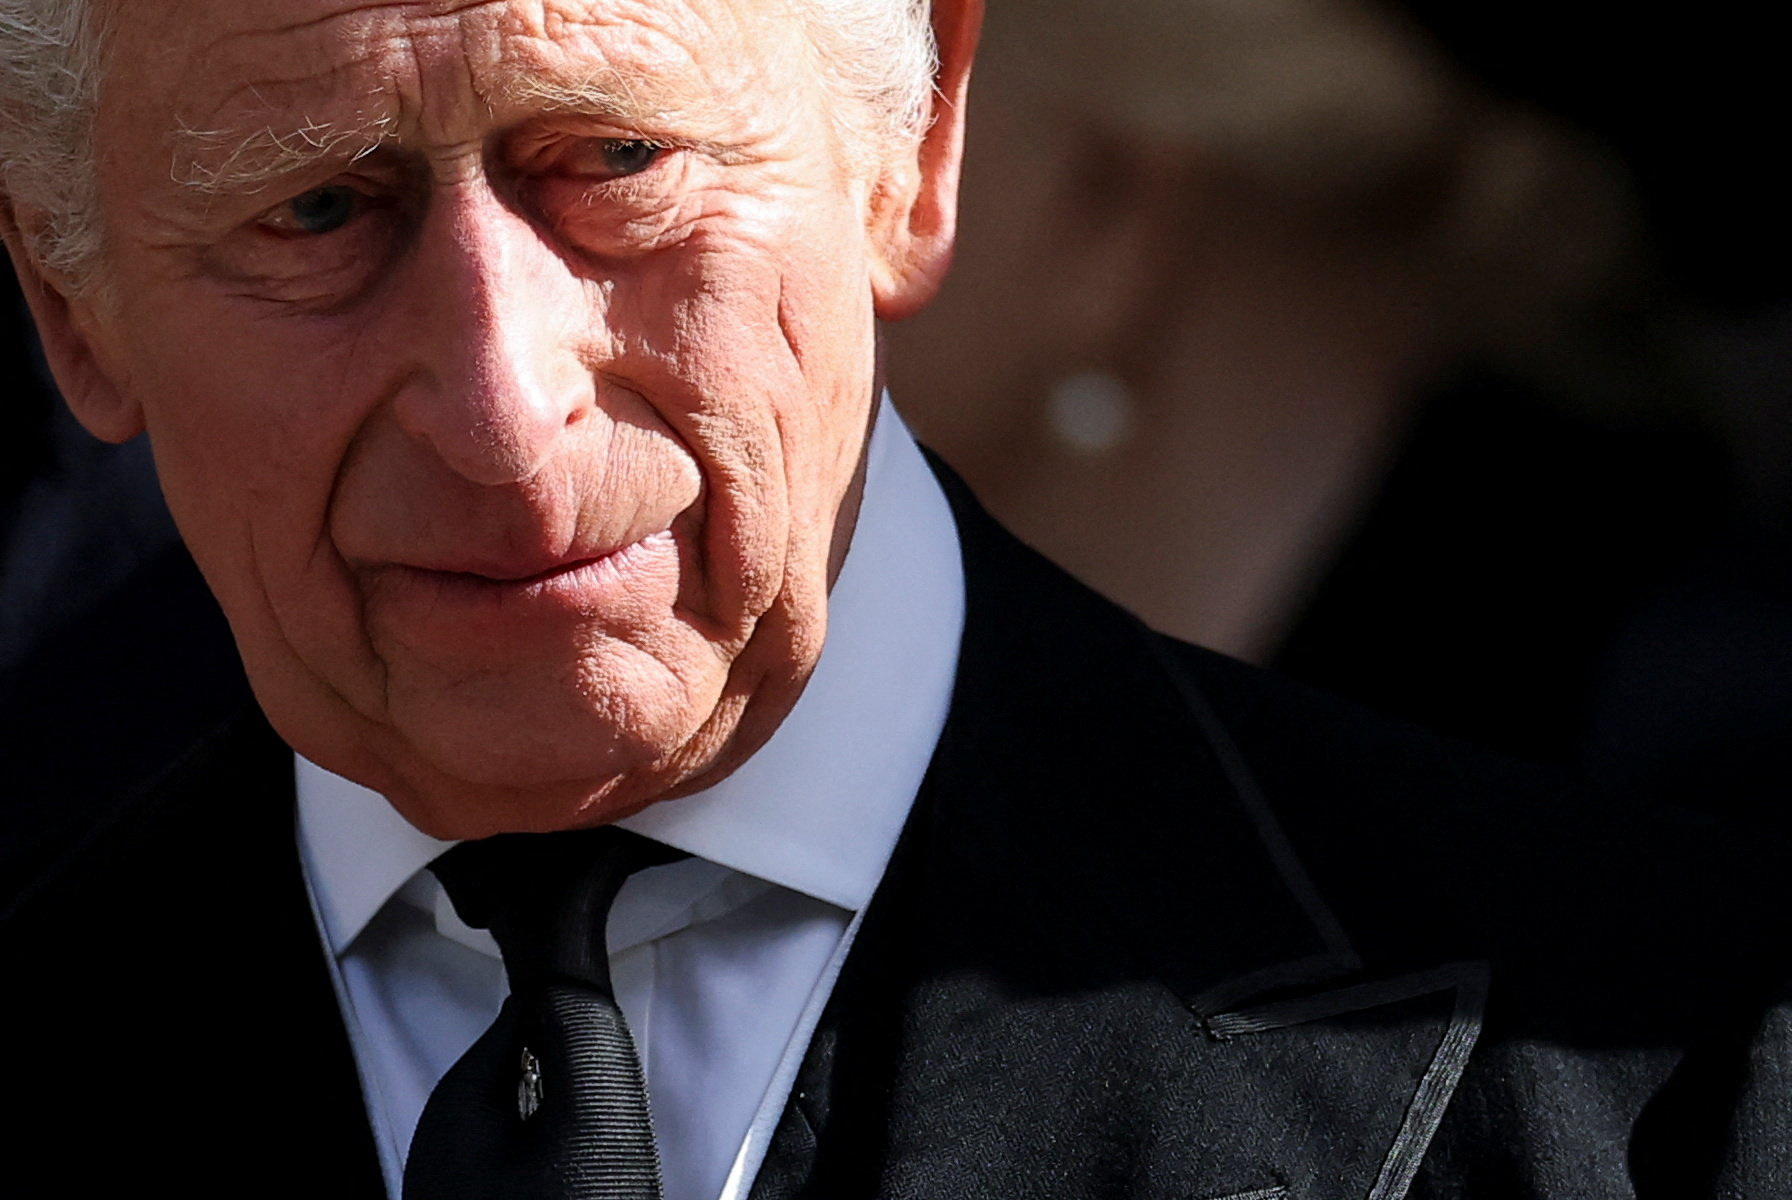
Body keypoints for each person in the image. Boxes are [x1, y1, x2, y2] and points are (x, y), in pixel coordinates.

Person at [0, 1, 1785, 1197]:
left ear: (915, 141)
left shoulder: (1672, 1062)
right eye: (314, 212)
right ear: (75, 307)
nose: (502, 418)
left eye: (620, 163)